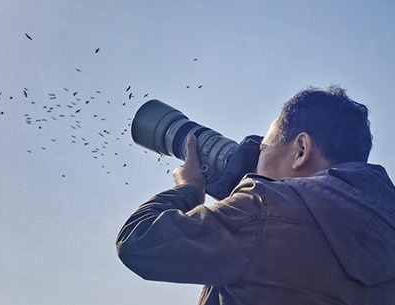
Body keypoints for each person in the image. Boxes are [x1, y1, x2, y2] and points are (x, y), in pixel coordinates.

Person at [116, 86, 395, 304]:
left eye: (263, 149)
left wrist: (187, 189)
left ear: (301, 151)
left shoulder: (265, 209)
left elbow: (137, 241)